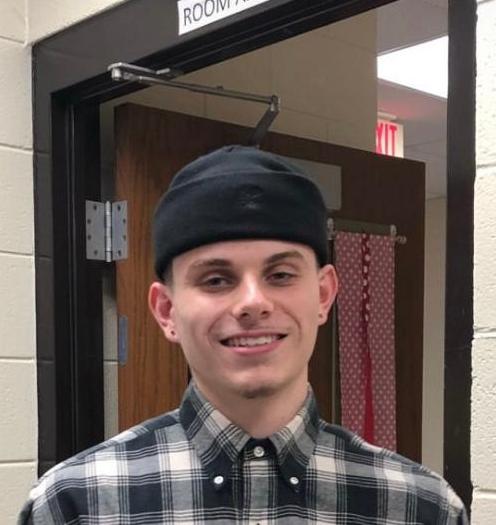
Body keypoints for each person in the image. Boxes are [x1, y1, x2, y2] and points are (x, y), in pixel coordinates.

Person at [19, 146, 467, 524]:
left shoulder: (420, 508)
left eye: (281, 274)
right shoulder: (76, 506)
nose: (253, 302)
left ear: (323, 295)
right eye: (216, 280)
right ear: (167, 310)